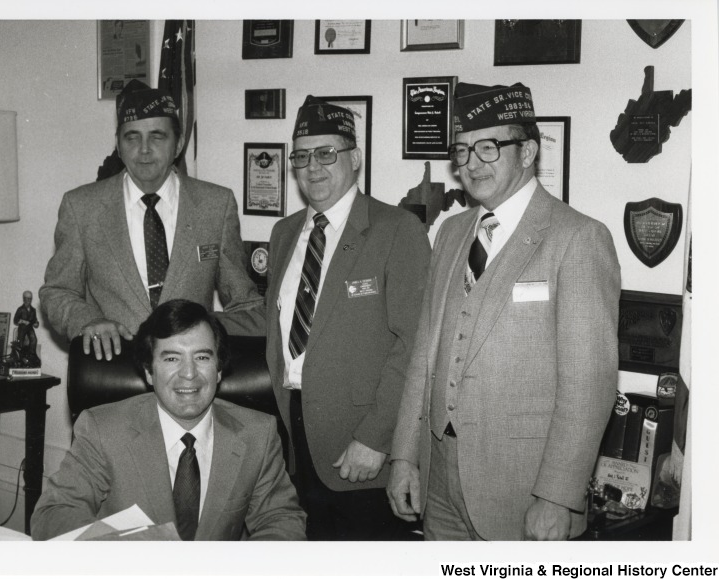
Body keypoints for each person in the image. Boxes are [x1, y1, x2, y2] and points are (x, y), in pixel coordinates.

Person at [387, 82, 621, 541]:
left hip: (524, 488)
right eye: (462, 150)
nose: (471, 164)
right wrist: (403, 457)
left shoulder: (577, 238)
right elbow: (424, 357)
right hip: (439, 482)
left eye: (488, 147)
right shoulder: (451, 233)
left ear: (528, 150)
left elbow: (588, 385)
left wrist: (557, 496)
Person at [266, 95, 431, 540]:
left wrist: (377, 438)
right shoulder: (284, 234)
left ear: (354, 159)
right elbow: (279, 325)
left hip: (363, 447)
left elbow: (414, 345)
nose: (312, 167)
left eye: (326, 154)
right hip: (295, 439)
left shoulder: (397, 230)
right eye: (301, 156)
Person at [31, 299, 306, 541]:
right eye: (172, 358)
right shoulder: (103, 429)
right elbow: (53, 514)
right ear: (149, 372)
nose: (189, 373)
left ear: (219, 370)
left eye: (202, 357)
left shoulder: (257, 433)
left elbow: (282, 520)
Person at [40, 80, 264, 361]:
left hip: (190, 379)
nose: (144, 149)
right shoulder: (81, 207)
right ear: (119, 145)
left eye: (157, 137)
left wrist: (204, 328)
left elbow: (245, 303)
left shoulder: (215, 206)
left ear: (179, 143)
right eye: (132, 137)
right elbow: (58, 290)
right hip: (115, 374)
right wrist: (87, 321)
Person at [14, 290, 39, 355]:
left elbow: (34, 320)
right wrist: (23, 321)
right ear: (23, 299)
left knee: (34, 340)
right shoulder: (20, 309)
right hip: (22, 328)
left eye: (30, 299)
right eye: (27, 298)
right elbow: (15, 320)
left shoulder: (33, 310)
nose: (28, 300)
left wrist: (36, 324)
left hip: (30, 328)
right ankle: (20, 356)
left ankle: (32, 355)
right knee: (21, 342)